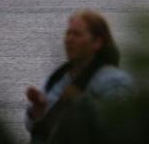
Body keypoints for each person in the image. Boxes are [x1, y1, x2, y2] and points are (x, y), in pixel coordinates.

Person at [25, 9, 132, 143]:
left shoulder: (114, 82)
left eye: (77, 34)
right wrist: (37, 111)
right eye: (68, 33)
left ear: (97, 42)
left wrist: (79, 105)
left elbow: (118, 129)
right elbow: (36, 128)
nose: (69, 39)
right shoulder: (57, 79)